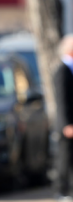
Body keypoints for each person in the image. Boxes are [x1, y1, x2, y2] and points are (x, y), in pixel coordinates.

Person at [54, 34, 73, 200]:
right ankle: (62, 192)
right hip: (67, 125)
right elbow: (61, 100)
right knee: (65, 158)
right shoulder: (62, 70)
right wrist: (66, 124)